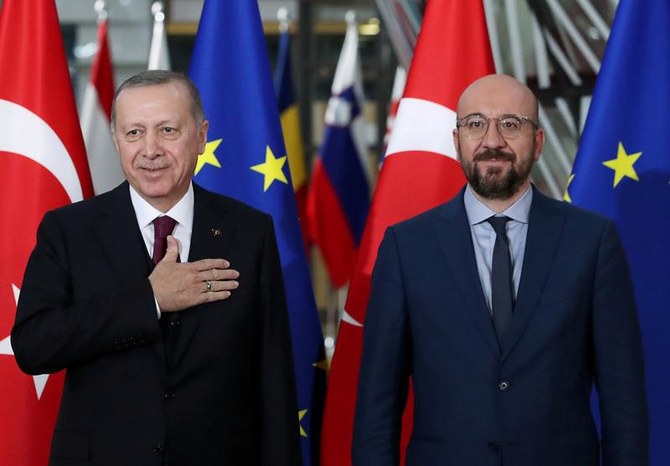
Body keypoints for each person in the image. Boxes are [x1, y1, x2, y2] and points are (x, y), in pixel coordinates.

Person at [352, 74, 648, 466]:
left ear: (538, 142)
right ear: (457, 142)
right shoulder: (407, 247)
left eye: (511, 124)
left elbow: (623, 402)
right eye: (476, 124)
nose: (493, 141)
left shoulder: (592, 242)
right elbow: (377, 408)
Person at [12, 70, 301, 465]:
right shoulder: (69, 230)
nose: (150, 149)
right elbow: (33, 345)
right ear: (115, 139)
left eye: (167, 130)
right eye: (133, 133)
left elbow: (274, 378)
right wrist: (150, 298)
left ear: (201, 136)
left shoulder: (249, 231)